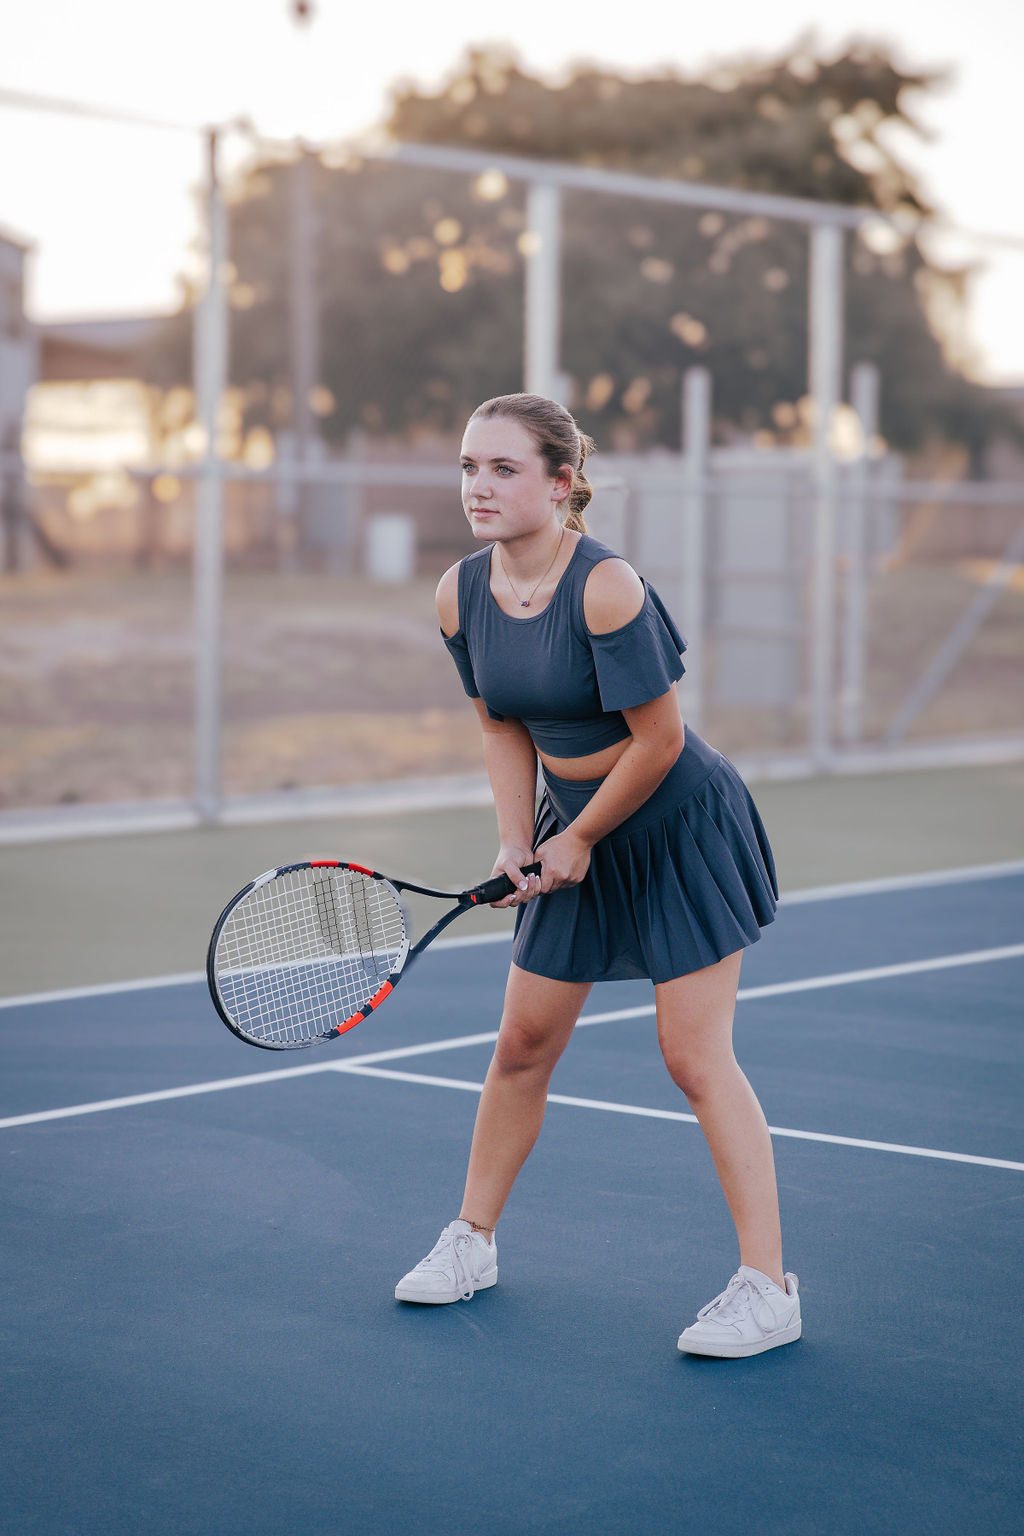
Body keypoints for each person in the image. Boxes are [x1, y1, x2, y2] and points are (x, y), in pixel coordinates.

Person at [394, 392, 800, 1358]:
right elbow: (501, 722)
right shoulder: (459, 592)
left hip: (673, 823)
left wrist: (580, 841)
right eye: (467, 468)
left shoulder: (606, 587)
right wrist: (517, 837)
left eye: (503, 469)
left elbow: (658, 741)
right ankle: (472, 1242)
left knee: (693, 1055)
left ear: (561, 482)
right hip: (570, 818)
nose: (478, 487)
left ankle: (768, 1288)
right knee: (523, 1043)